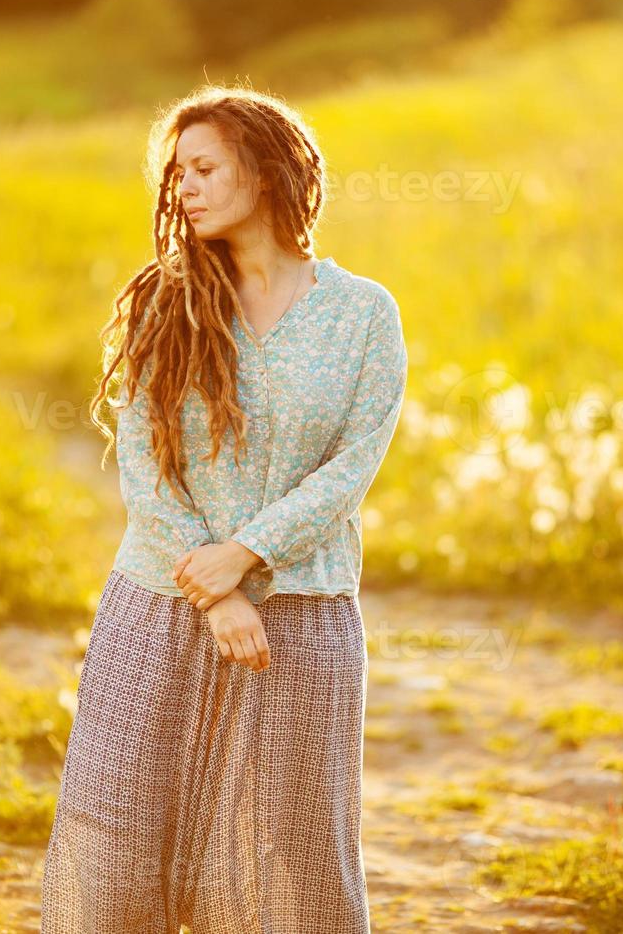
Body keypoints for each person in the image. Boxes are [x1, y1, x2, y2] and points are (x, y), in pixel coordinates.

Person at [39, 84, 407, 934]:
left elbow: (352, 465)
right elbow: (144, 466)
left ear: (266, 170)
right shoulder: (163, 304)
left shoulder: (363, 314)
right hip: (159, 604)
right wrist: (215, 589)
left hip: (303, 620)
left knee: (296, 851)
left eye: (204, 168)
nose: (187, 190)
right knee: (120, 839)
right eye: (177, 176)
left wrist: (245, 555)